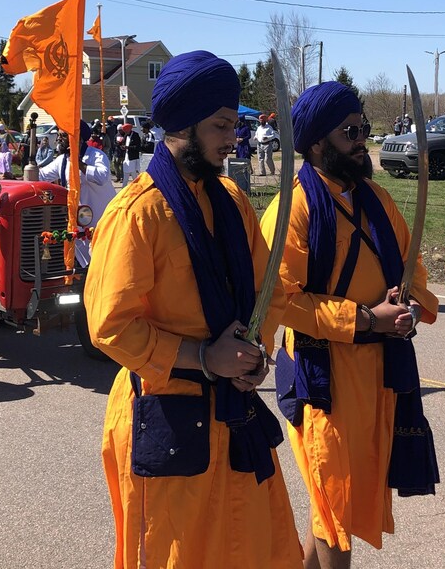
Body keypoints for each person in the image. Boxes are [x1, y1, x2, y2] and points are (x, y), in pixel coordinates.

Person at [86, 50, 301, 569]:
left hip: (234, 410)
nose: (234, 137)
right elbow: (111, 327)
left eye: (234, 124)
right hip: (167, 412)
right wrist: (205, 357)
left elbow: (263, 294)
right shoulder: (137, 212)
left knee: (257, 551)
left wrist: (253, 354)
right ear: (183, 125)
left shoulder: (233, 199)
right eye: (222, 125)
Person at [266, 82, 438, 568]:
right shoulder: (292, 208)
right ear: (319, 143)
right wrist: (365, 318)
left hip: (379, 373)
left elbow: (412, 266)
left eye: (363, 129)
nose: (364, 139)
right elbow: (280, 301)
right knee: (335, 504)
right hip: (324, 376)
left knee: (334, 498)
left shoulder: (377, 200)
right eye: (352, 131)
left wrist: (405, 306)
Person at [38, 122, 116, 267]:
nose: (58, 140)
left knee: (103, 263)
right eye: (59, 136)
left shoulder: (97, 155)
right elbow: (41, 175)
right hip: (78, 222)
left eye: (62, 136)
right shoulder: (62, 160)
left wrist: (77, 162)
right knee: (83, 262)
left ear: (77, 139)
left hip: (100, 221)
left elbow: (102, 177)